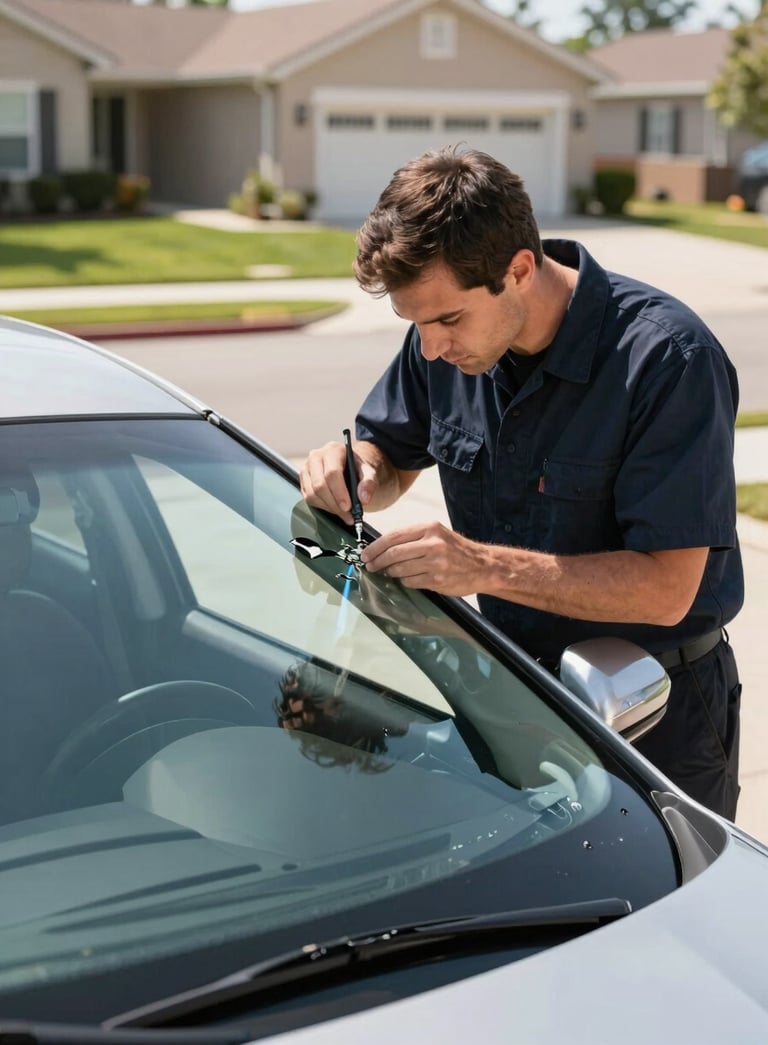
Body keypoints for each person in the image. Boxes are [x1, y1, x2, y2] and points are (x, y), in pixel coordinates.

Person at [299, 146, 744, 820]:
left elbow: (666, 589)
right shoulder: (445, 342)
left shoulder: (666, 359)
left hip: (656, 714)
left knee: (673, 915)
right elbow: (387, 453)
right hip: (513, 694)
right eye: (413, 323)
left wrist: (477, 564)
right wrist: (355, 468)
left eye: (446, 319)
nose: (430, 348)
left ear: (519, 269)